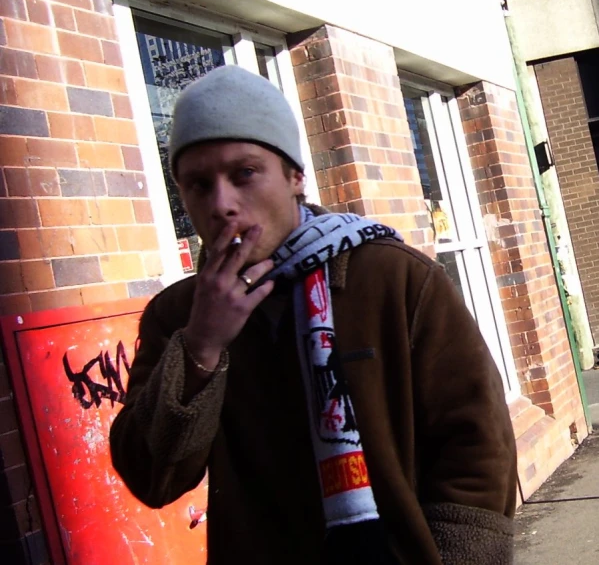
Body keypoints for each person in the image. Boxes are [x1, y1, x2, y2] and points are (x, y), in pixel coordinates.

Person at [110, 65, 517, 565]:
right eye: (198, 184)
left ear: (295, 176)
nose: (222, 204)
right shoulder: (176, 316)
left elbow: (477, 445)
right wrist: (201, 347)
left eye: (244, 174)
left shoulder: (394, 279)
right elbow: (152, 478)